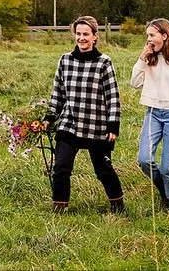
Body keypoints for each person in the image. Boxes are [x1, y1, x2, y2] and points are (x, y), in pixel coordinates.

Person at [45, 15, 125, 214]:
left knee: (103, 170)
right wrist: (49, 117)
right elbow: (58, 93)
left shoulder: (104, 63)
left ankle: (118, 205)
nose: (81, 38)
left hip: (96, 126)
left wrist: (113, 125)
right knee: (61, 167)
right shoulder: (65, 60)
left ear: (95, 36)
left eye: (86, 34)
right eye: (78, 34)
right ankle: (60, 207)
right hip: (69, 124)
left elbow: (112, 97)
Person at [130, 18, 169, 212]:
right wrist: (142, 58)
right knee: (144, 159)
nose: (148, 40)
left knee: (167, 167)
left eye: (152, 35)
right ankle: (164, 189)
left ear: (164, 36)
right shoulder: (149, 58)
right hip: (153, 114)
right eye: (147, 36)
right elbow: (134, 82)